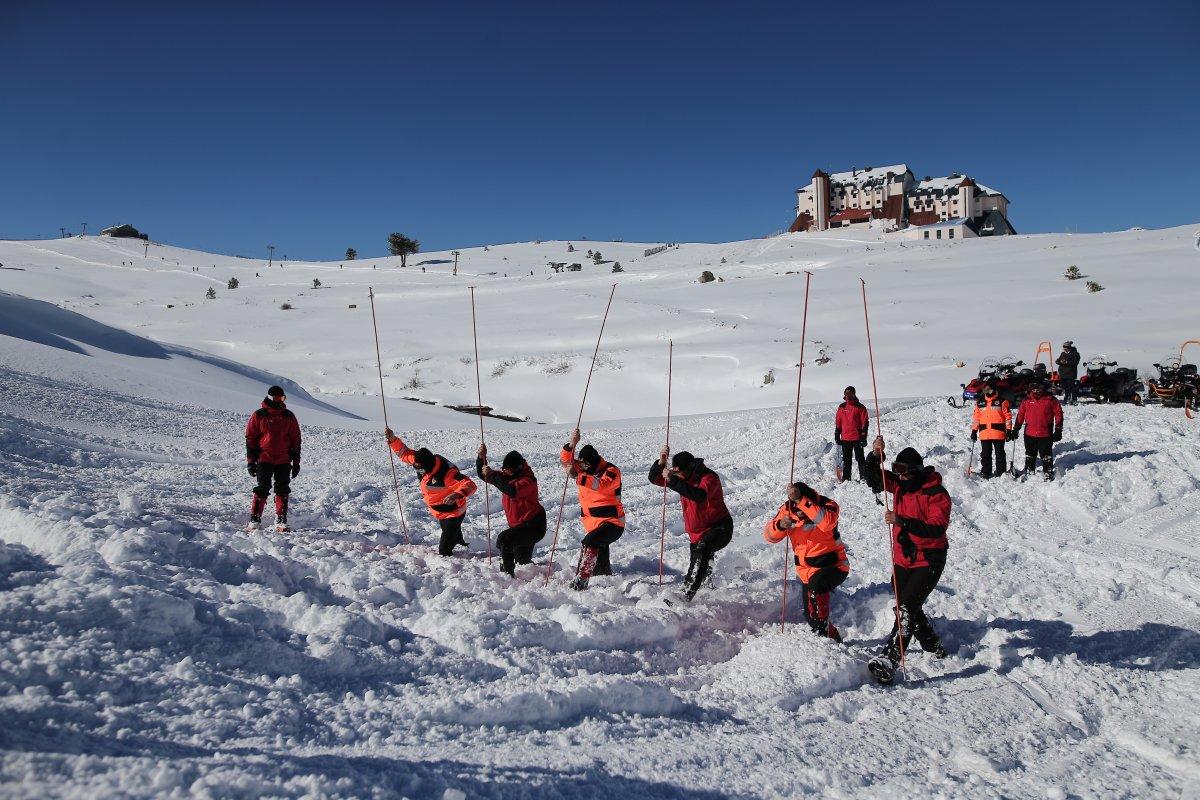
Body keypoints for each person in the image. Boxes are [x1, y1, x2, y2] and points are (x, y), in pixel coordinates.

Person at [867, 437, 951, 685]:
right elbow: (873, 478)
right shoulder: (901, 486)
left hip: (929, 559)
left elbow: (936, 529)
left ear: (915, 472)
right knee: (907, 603)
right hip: (904, 558)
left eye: (904, 473)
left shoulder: (937, 494)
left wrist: (902, 521)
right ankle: (932, 644)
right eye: (897, 473)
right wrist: (875, 455)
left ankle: (890, 659)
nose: (899, 478)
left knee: (906, 608)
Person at [763, 482, 849, 641]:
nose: (800, 515)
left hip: (835, 566)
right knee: (811, 616)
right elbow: (768, 536)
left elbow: (828, 522)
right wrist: (780, 525)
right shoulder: (788, 509)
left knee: (817, 590)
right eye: (798, 510)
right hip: (806, 573)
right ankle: (833, 637)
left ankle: (823, 637)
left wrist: (802, 502)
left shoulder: (826, 505)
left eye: (802, 509)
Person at [649, 448, 733, 600]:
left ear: (691, 468)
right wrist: (661, 463)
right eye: (677, 473)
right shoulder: (683, 477)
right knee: (698, 565)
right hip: (697, 533)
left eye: (681, 473)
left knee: (702, 551)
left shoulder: (708, 478)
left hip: (720, 528)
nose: (680, 476)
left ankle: (685, 595)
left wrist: (673, 480)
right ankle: (707, 593)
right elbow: (654, 479)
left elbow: (698, 495)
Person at [385, 429, 477, 555]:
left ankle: (452, 567)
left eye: (422, 469)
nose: (419, 472)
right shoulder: (419, 461)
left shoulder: (447, 474)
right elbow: (404, 453)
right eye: (417, 468)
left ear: (429, 465)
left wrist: (457, 494)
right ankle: (457, 539)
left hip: (453, 512)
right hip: (440, 510)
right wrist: (393, 439)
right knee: (450, 533)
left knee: (444, 549)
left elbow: (470, 484)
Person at [560, 428, 624, 590]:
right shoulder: (582, 468)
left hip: (613, 522)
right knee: (599, 551)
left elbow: (602, 486)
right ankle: (603, 578)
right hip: (593, 523)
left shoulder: (611, 471)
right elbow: (565, 460)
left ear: (595, 461)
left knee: (590, 542)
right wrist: (572, 444)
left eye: (587, 464)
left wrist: (578, 476)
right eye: (581, 464)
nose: (584, 467)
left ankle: (581, 580)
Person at [476, 445, 545, 575]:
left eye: (508, 471)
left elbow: (511, 490)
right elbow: (483, 475)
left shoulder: (529, 481)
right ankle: (532, 574)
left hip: (534, 526)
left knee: (504, 540)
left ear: (518, 469)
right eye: (504, 470)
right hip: (519, 526)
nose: (505, 473)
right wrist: (481, 458)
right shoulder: (508, 477)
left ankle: (507, 576)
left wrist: (492, 475)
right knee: (522, 562)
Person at [245, 385, 301, 532]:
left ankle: (281, 520)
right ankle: (254, 520)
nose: (280, 401)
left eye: (282, 398)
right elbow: (250, 438)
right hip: (264, 458)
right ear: (270, 398)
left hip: (283, 459)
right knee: (262, 488)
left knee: (282, 489)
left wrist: (296, 463)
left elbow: (295, 439)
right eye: (277, 398)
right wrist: (251, 461)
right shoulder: (259, 415)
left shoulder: (288, 416)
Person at [1013, 381, 1064, 481]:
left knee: (1046, 454)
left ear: (1043, 389)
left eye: (1039, 389)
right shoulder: (1026, 400)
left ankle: (1048, 472)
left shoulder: (1051, 400)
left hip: (1045, 433)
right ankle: (1029, 470)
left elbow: (1059, 414)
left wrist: (1058, 430)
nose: (1036, 391)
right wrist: (1016, 428)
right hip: (1029, 433)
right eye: (1034, 389)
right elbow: (1020, 415)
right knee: (1030, 453)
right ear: (1031, 390)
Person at [971, 385, 1012, 478]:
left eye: (989, 389)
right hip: (984, 433)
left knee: (1000, 454)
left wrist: (1009, 430)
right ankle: (986, 472)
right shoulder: (980, 403)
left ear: (994, 390)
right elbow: (976, 418)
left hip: (998, 432)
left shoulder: (1002, 401)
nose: (987, 391)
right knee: (985, 454)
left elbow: (1008, 417)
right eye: (985, 389)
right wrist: (974, 431)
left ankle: (1001, 473)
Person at [834, 386, 870, 482]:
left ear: (854, 394)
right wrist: (837, 434)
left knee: (860, 459)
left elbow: (865, 423)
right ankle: (846, 478)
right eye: (846, 394)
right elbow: (838, 421)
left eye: (850, 394)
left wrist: (863, 437)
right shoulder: (842, 407)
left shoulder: (860, 407)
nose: (848, 396)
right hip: (845, 438)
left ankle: (863, 478)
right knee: (846, 460)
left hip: (857, 438)